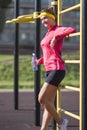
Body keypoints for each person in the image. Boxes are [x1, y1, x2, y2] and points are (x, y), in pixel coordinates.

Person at [36, 7, 76, 130]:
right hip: (49, 69)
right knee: (48, 103)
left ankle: (61, 121)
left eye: (45, 18)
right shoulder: (48, 33)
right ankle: (44, 129)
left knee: (42, 99)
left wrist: (57, 36)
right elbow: (50, 52)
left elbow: (72, 29)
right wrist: (40, 60)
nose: (43, 21)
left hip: (57, 69)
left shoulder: (57, 29)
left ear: (52, 18)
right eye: (42, 19)